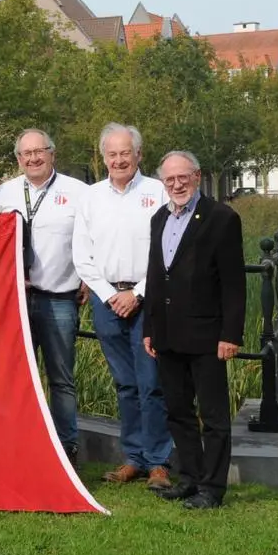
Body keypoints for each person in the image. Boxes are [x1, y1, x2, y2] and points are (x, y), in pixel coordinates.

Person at [72, 122, 173, 490]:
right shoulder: (91, 197)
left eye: (125, 153)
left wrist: (139, 293)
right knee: (125, 385)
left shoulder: (158, 192)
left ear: (139, 155)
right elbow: (82, 256)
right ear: (104, 158)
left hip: (147, 300)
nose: (118, 160)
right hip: (107, 300)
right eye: (112, 154)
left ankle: (160, 461)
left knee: (152, 384)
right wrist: (107, 294)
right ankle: (134, 458)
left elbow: (167, 250)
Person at [143, 151, 246, 510]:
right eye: (169, 179)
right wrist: (149, 328)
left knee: (214, 416)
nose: (177, 184)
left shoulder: (221, 218)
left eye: (183, 177)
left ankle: (213, 488)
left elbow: (234, 283)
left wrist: (231, 334)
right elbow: (155, 276)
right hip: (168, 334)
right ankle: (189, 478)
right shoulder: (159, 218)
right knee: (178, 411)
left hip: (206, 335)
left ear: (197, 176)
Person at [0, 129, 88, 465]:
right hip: (15, 300)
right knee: (18, 376)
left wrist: (88, 279)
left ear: (52, 153)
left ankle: (66, 447)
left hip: (60, 297)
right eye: (26, 153)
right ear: (18, 159)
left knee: (62, 379)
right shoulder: (3, 193)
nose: (33, 158)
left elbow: (92, 241)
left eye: (40, 151)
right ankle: (23, 442)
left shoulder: (78, 192)